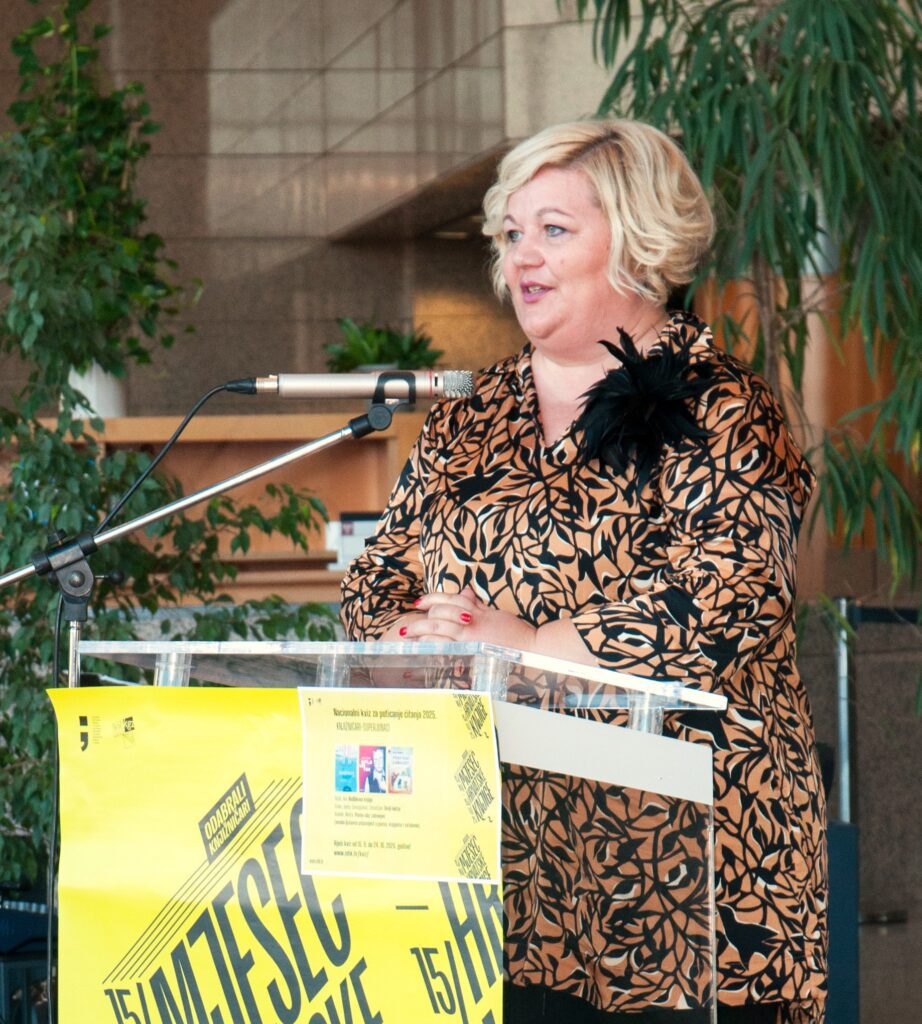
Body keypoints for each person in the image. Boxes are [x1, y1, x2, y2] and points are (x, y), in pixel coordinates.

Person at [340, 119, 827, 1023]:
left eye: (554, 230)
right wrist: (421, 636)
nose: (523, 256)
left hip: (690, 889)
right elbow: (375, 580)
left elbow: (728, 595)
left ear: (641, 242)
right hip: (504, 879)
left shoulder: (722, 406)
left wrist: (525, 648)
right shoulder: (467, 417)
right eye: (513, 233)